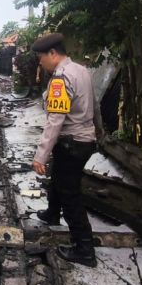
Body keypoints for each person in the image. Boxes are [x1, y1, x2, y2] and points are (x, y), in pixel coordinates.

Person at [30, 33, 103, 267]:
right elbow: (96, 104)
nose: (40, 63)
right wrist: (99, 132)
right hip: (84, 140)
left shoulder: (61, 79)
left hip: (72, 143)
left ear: (52, 53)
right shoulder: (81, 70)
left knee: (70, 193)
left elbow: (55, 120)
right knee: (58, 177)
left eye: (41, 58)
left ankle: (85, 249)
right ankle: (52, 213)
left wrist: (40, 156)